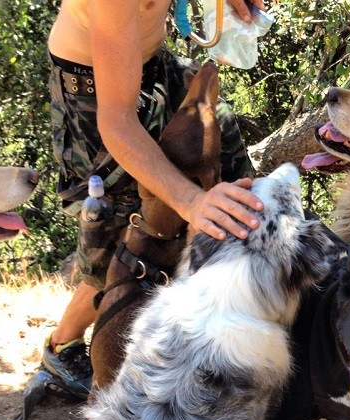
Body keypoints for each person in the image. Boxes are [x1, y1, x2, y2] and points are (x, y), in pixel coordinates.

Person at [42, 0, 266, 396]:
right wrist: (190, 201)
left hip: (154, 65)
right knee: (126, 232)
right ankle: (63, 344)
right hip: (92, 90)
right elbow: (117, 123)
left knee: (231, 175)